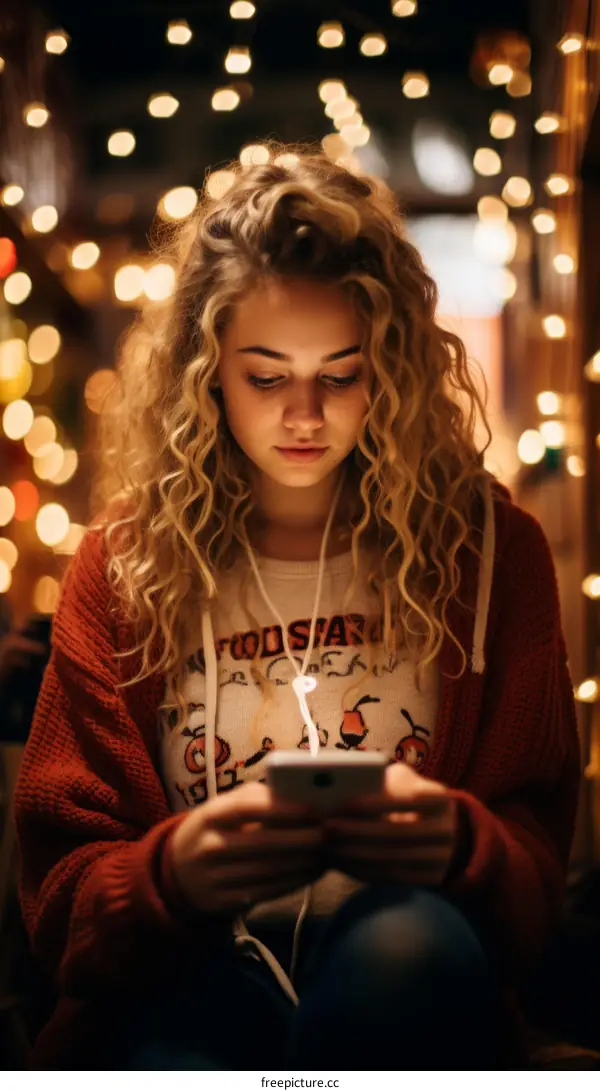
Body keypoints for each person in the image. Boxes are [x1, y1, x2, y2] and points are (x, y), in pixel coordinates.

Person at [13, 144, 581, 1071]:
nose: (305, 415)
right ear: (206, 371)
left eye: (344, 373)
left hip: (408, 966)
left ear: (392, 365)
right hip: (190, 965)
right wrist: (171, 873)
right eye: (266, 377)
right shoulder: (125, 565)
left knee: (408, 959)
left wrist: (460, 844)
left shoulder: (488, 554)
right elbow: (59, 900)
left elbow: (534, 884)